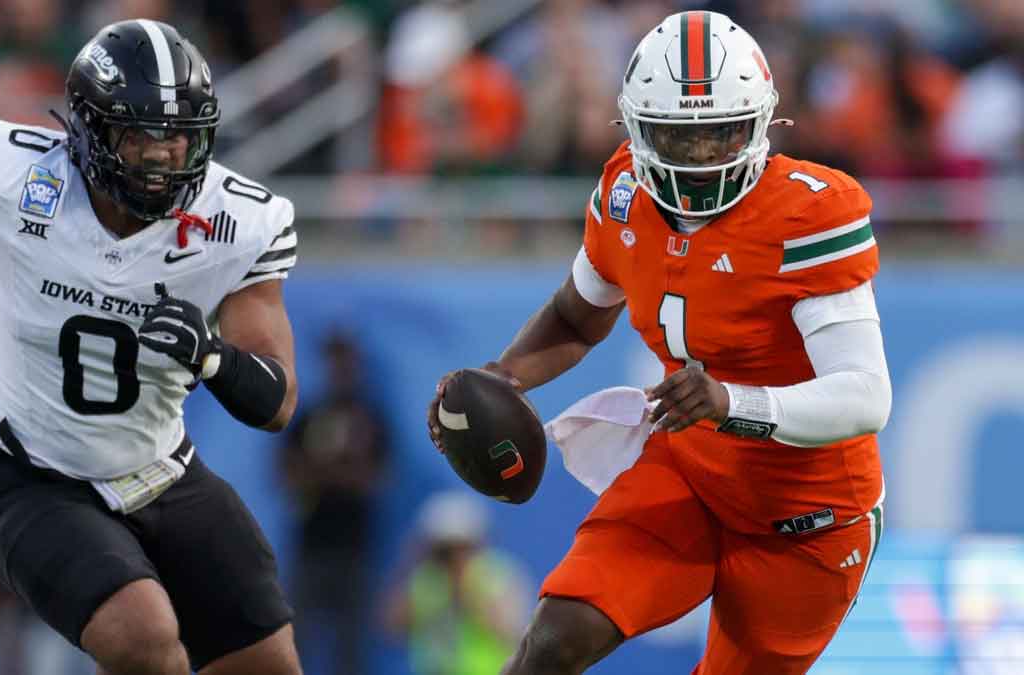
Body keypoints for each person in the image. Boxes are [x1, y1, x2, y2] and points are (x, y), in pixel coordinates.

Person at [0, 19, 302, 675]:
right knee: (145, 637)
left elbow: (277, 402)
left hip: (159, 468)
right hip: (28, 471)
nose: (166, 158)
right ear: (90, 130)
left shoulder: (235, 222)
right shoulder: (23, 180)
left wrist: (212, 354)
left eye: (180, 138)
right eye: (144, 138)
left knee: (267, 663)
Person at [428, 10, 892, 675]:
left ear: (759, 123)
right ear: (639, 128)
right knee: (555, 637)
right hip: (694, 469)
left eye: (719, 134)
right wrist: (503, 375)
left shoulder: (808, 214)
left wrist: (730, 400)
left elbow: (867, 395)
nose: (701, 158)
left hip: (807, 515)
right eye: (680, 137)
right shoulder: (624, 195)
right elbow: (575, 315)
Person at [278, 331, 389, 675]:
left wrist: (322, 471)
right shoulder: (310, 416)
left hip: (355, 548)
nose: (339, 369)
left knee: (352, 647)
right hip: (311, 545)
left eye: (345, 360)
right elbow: (286, 475)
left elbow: (376, 479)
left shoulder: (370, 418)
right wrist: (340, 469)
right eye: (333, 360)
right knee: (297, 641)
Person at [383, 490, 530, 675]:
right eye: (445, 549)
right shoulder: (426, 578)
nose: (453, 557)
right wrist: (412, 563)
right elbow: (392, 627)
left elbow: (511, 634)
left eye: (460, 547)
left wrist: (467, 591)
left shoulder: (498, 575)